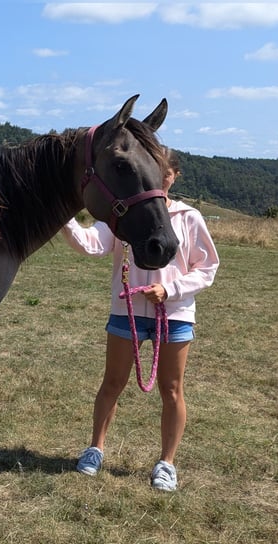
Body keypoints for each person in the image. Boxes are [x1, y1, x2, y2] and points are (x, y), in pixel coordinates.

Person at [61, 149, 219, 491]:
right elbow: (92, 244)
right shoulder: (126, 213)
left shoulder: (189, 217)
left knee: (172, 389)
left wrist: (171, 290)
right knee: (112, 383)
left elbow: (207, 267)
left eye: (165, 172)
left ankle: (167, 463)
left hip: (174, 315)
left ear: (174, 176)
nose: (159, 177)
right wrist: (63, 217)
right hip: (126, 312)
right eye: (153, 170)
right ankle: (95, 449)